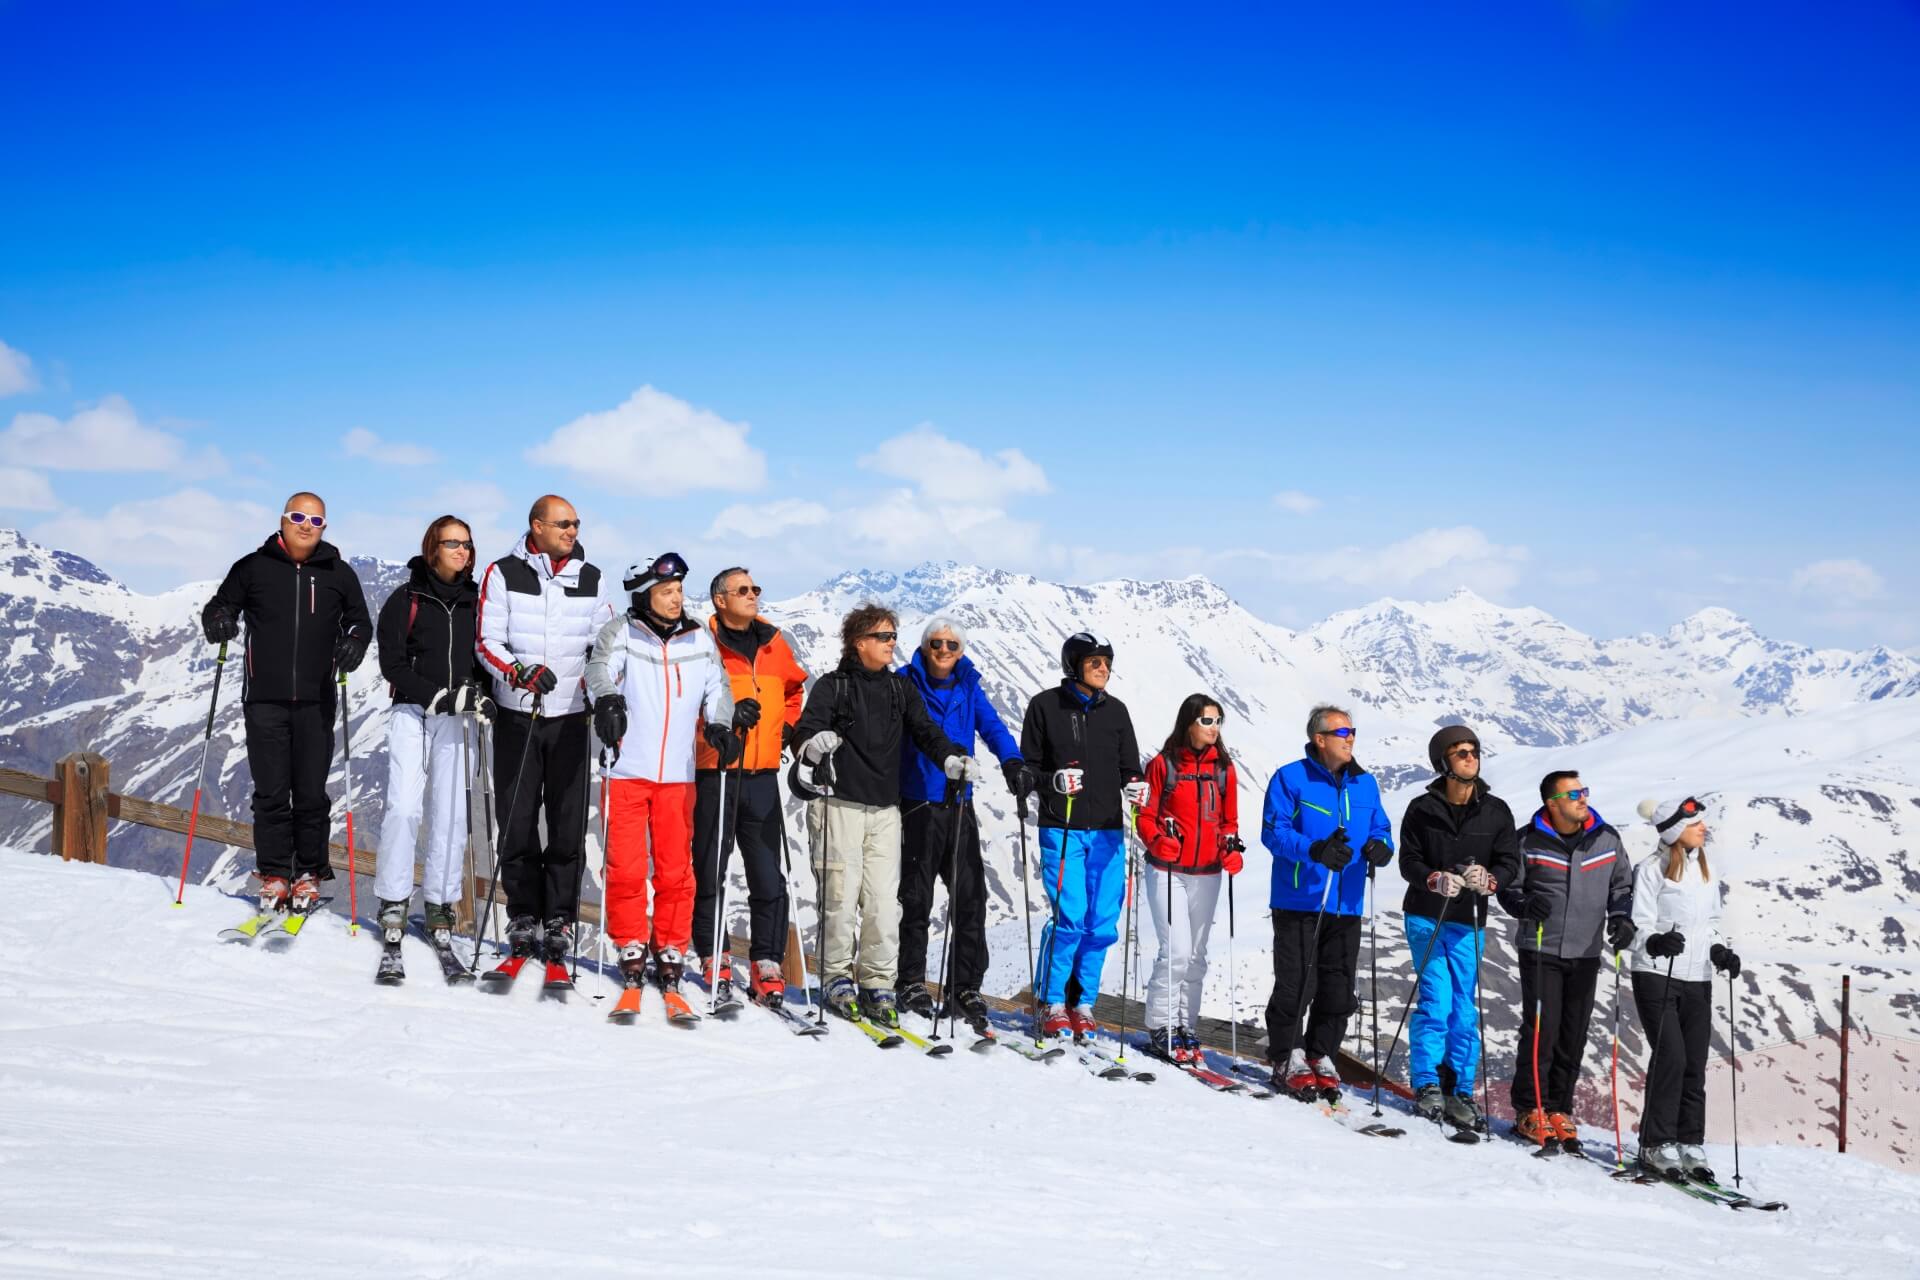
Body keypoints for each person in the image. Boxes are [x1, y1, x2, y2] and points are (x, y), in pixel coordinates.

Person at [789, 602, 969, 1028]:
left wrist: (949, 759)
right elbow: (804, 730)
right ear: (859, 643)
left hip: (886, 810)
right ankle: (835, 977)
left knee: (885, 905)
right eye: (883, 637)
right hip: (839, 807)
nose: (892, 644)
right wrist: (814, 745)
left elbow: (925, 730)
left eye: (893, 636)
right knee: (840, 896)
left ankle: (877, 983)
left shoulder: (898, 689)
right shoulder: (833, 687)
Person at [585, 553, 748, 1000]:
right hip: (628, 769)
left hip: (678, 774)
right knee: (625, 867)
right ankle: (631, 940)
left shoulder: (697, 638)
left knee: (677, 869)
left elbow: (718, 685)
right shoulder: (622, 632)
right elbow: (599, 670)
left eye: (678, 590)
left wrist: (717, 723)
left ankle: (672, 946)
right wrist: (608, 700)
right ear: (644, 595)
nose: (677, 599)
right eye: (666, 592)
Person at [201, 492, 372, 914]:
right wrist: (219, 622)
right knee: (272, 791)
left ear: (324, 527)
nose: (305, 525)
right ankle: (276, 873)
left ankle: (309, 873)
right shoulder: (253, 568)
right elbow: (219, 607)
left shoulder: (338, 573)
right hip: (264, 699)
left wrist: (353, 643)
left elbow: (360, 622)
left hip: (317, 698)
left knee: (311, 791)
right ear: (282, 519)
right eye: (298, 517)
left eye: (315, 520)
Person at [475, 495, 613, 971]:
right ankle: (522, 915)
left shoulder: (591, 577)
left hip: (573, 717)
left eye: (575, 523)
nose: (572, 531)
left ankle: (559, 919)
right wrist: (519, 672)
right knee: (516, 820)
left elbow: (604, 645)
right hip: (520, 715)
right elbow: (486, 641)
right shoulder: (503, 573)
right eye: (562, 524)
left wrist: (603, 690)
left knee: (568, 824)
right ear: (536, 526)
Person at [371, 515, 494, 979]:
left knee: (452, 814)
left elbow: (485, 656)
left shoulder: (477, 602)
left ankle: (441, 904)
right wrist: (435, 696)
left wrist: (479, 694)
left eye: (466, 544)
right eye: (451, 544)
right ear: (432, 549)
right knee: (403, 807)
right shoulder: (406, 599)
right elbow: (393, 663)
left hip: (459, 718)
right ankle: (394, 901)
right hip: (412, 712)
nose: (462, 552)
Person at [895, 617, 1027, 1033]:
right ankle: (911, 982)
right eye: (937, 643)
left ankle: (964, 986)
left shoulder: (969, 685)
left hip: (959, 803)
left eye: (953, 644)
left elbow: (991, 726)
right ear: (925, 646)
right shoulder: (904, 682)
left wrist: (1012, 761)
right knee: (916, 897)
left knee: (971, 895)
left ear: (962, 650)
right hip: (919, 800)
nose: (945, 650)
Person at [689, 566, 810, 1007]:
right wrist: (718, 722)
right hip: (715, 771)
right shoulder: (703, 644)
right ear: (720, 599)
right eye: (743, 590)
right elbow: (689, 701)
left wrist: (785, 729)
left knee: (767, 876)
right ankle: (712, 953)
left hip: (762, 775)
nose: (753, 595)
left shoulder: (774, 643)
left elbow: (795, 691)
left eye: (755, 588)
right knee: (708, 868)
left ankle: (766, 963)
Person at [1018, 632, 1147, 1042]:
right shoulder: (1045, 706)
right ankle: (1051, 1002)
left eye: (1107, 661)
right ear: (1073, 664)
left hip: (1109, 831)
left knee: (1102, 924)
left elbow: (1130, 766)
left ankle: (1083, 1004)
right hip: (1063, 827)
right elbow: (1028, 770)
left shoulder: (1117, 711)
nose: (1104, 668)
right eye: (1095, 662)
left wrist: (1136, 786)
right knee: (1070, 918)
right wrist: (1053, 780)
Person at [1259, 705, 1394, 1098]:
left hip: (1347, 902)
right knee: (1296, 984)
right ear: (1320, 739)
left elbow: (1382, 829)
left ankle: (1320, 1055)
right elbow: (1274, 833)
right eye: (1342, 732)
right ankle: (1286, 1056)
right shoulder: (1290, 778)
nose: (1350, 737)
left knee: (1338, 989)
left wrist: (1381, 847)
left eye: (1353, 731)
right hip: (1300, 898)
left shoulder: (1364, 784)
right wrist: (1314, 850)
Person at [1496, 770, 1636, 1147]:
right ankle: (1530, 1109)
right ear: (1551, 803)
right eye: (1573, 793)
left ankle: (1559, 1107)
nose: (1582, 798)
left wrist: (1622, 919)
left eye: (1584, 791)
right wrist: (1525, 904)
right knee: (1542, 1030)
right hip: (1541, 949)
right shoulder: (1528, 841)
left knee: (1573, 1033)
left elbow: (1622, 885)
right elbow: (1508, 889)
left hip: (1586, 951)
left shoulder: (1606, 839)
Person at [1394, 724, 1521, 1130]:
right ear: (1442, 763)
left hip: (1469, 921)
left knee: (1464, 1008)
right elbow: (1408, 861)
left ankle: (1460, 1088)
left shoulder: (1496, 810)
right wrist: (1432, 878)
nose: (1470, 757)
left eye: (1473, 750)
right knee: (1437, 1001)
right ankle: (1428, 1082)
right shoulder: (1421, 809)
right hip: (1426, 917)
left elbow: (1509, 860)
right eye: (1460, 752)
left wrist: (1492, 879)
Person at [1629, 795, 1739, 1181]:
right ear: (1677, 831)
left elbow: (1710, 921)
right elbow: (1638, 923)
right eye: (1696, 825)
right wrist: (1653, 942)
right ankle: (1656, 1143)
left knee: (1694, 1063)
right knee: (1671, 1058)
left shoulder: (1706, 871)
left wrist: (1720, 949)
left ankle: (1689, 1142)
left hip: (1698, 977)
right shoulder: (1650, 870)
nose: (1703, 828)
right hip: (1657, 973)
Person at [1133, 692, 1242, 1064]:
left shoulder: (1224, 769)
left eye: (1218, 722)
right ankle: (1160, 1026)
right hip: (1167, 870)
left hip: (1208, 873)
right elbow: (1144, 816)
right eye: (1207, 721)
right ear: (1189, 723)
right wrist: (1156, 841)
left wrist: (1231, 849)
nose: (1214, 729)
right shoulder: (1163, 765)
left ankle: (1185, 1027)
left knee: (1196, 958)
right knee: (1176, 952)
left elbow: (1229, 823)